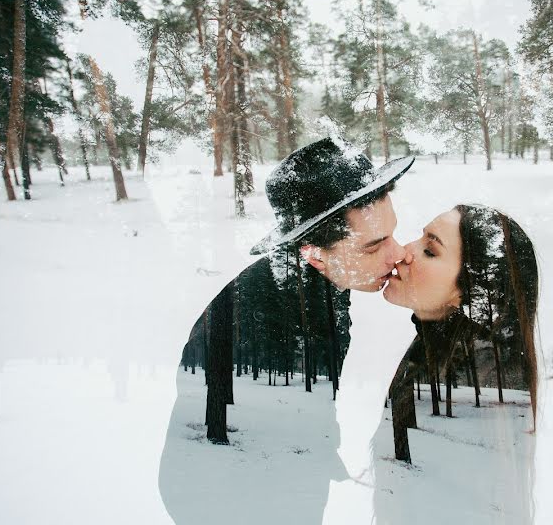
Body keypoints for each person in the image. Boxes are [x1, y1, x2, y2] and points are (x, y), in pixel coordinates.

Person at [158, 137, 414, 525]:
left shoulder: (323, 288)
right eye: (374, 245)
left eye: (393, 234)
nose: (397, 254)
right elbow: (194, 469)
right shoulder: (260, 315)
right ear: (312, 252)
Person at [374, 204, 540, 525]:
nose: (405, 251)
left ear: (465, 294)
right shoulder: (422, 347)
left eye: (430, 250)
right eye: (420, 238)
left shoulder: (481, 367)